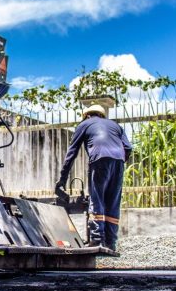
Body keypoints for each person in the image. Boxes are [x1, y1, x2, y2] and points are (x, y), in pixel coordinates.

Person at [55, 104, 132, 251]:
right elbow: (128, 148)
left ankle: (97, 241)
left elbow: (72, 152)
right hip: (119, 161)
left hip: (99, 160)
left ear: (87, 115)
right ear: (102, 115)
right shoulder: (115, 126)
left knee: (97, 200)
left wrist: (62, 180)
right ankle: (111, 243)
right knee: (112, 201)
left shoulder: (84, 124)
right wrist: (118, 162)